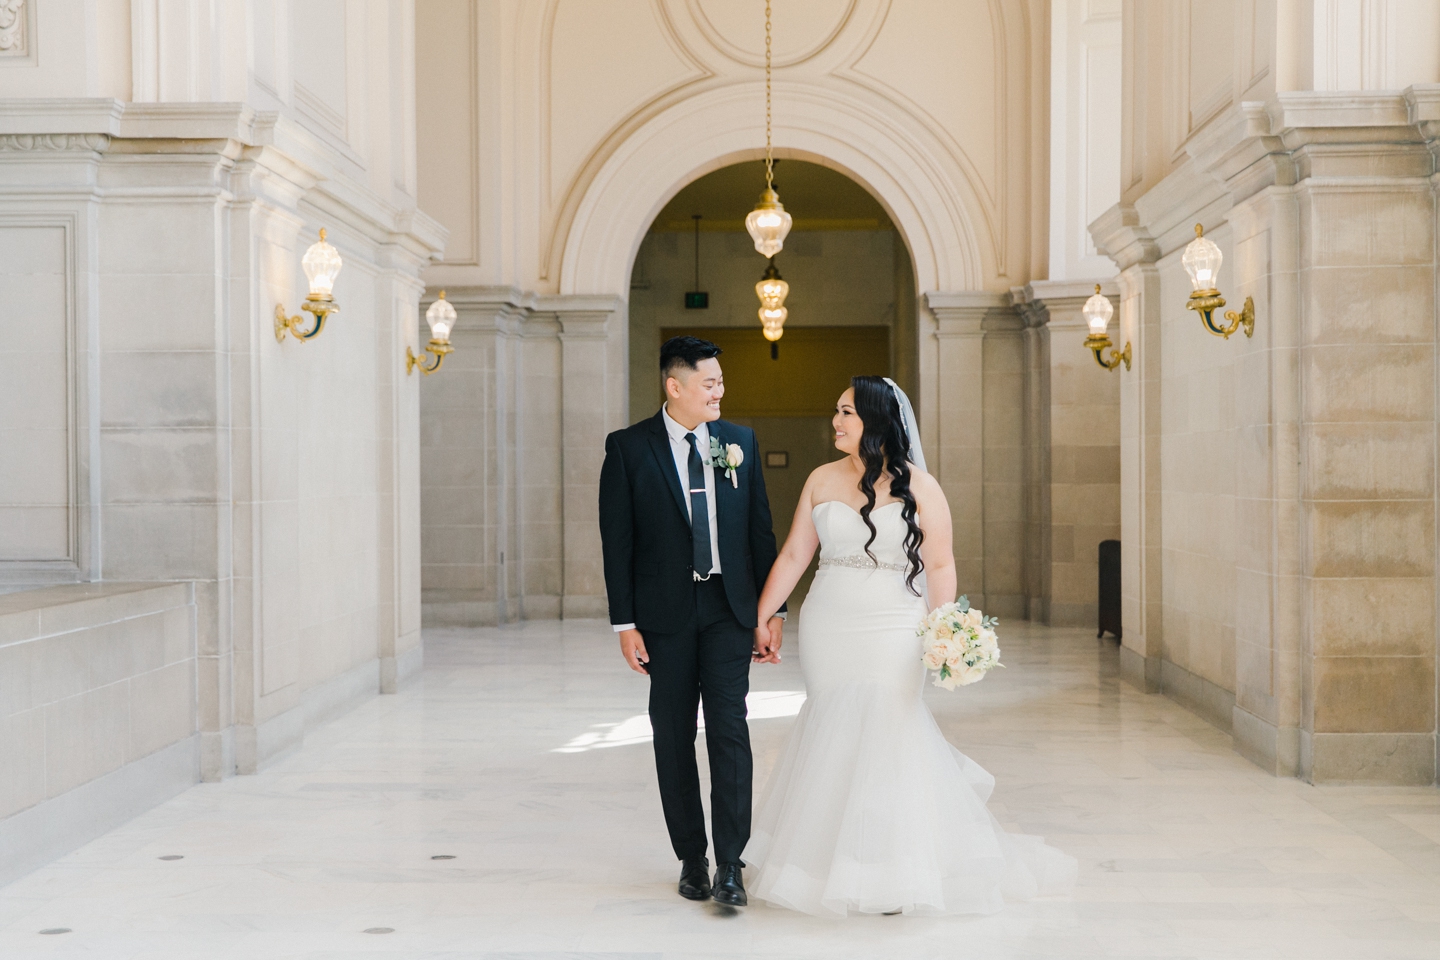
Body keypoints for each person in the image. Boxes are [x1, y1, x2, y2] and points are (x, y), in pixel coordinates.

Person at [743, 375, 1076, 917]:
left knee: (887, 730)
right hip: (830, 622)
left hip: (894, 624)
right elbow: (793, 556)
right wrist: (763, 616)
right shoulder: (820, 479)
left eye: (847, 412)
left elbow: (941, 563)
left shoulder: (921, 486)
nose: (836, 421)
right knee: (831, 724)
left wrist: (943, 631)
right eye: (837, 410)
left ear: (875, 421)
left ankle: (890, 869)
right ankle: (825, 865)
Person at [598, 335, 786, 908]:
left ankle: (732, 863)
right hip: (664, 618)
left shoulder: (740, 443)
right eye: (709, 383)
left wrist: (769, 612)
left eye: (721, 382)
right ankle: (692, 858)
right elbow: (618, 542)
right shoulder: (630, 449)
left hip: (729, 611)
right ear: (673, 386)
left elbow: (759, 533)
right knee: (673, 734)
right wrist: (624, 623)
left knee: (731, 730)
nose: (719, 392)